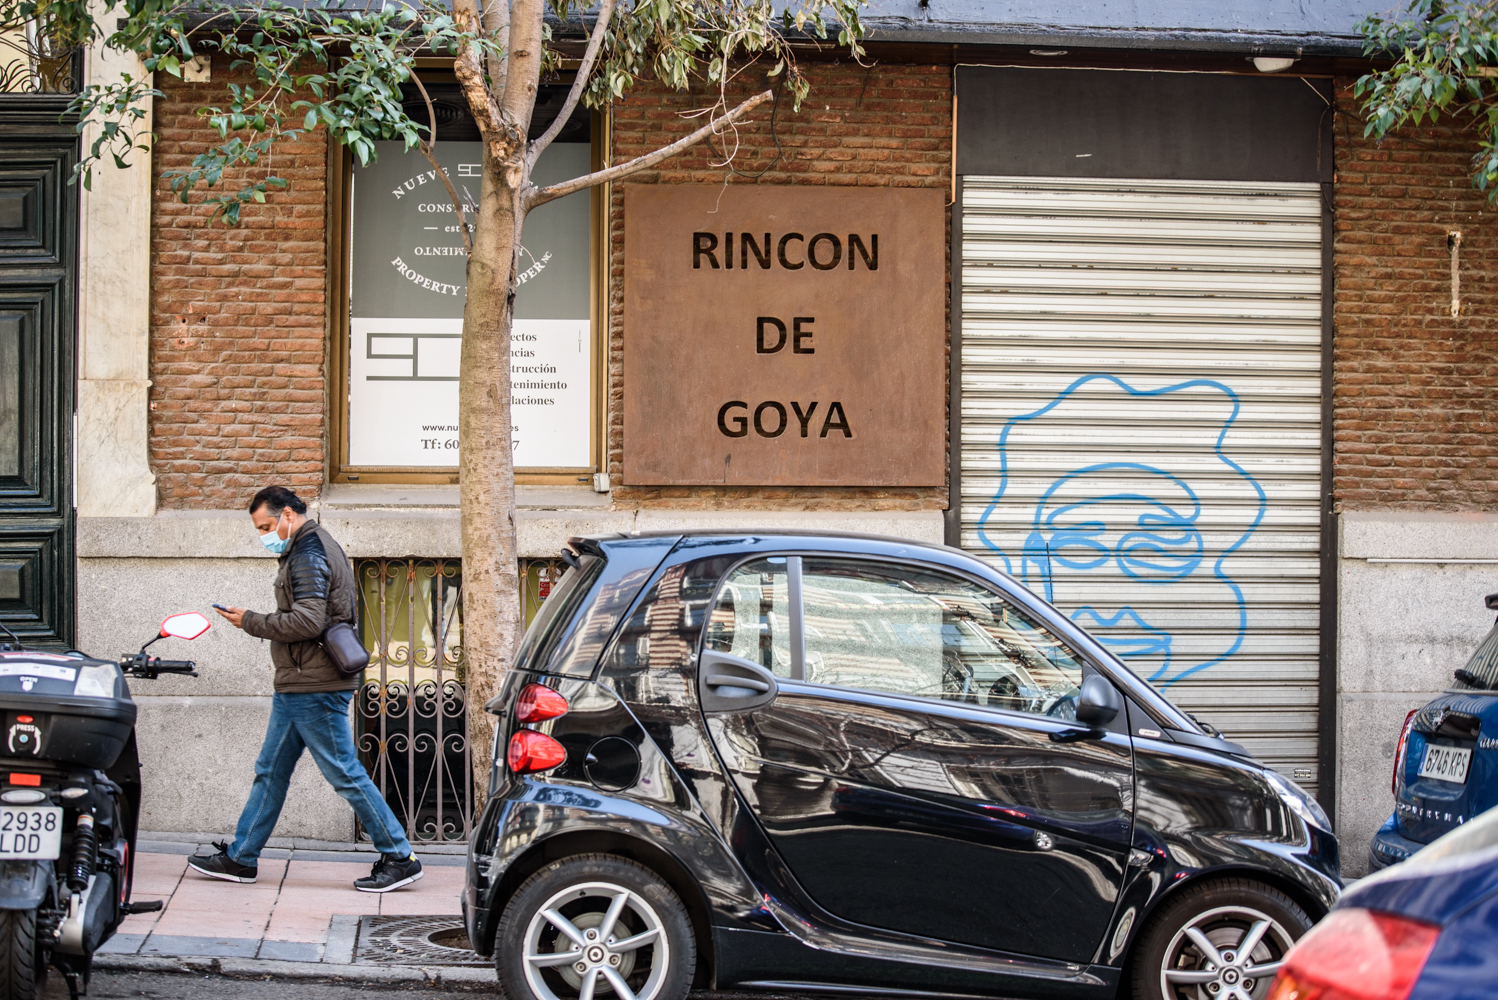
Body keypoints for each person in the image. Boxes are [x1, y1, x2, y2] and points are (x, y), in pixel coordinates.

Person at [189, 486, 422, 892]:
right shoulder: (306, 548)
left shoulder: (309, 553)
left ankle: (400, 857)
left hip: (315, 685)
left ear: (287, 515)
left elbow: (308, 621)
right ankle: (241, 857)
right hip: (299, 682)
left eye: (266, 526)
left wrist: (250, 621)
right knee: (271, 770)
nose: (264, 535)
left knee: (344, 772)